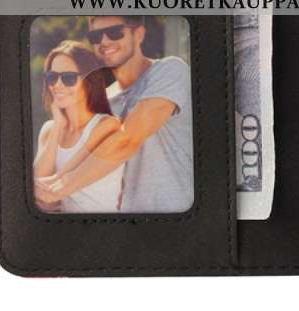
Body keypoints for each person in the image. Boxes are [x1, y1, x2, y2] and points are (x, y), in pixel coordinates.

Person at [35, 16, 193, 213]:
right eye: (96, 36)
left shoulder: (169, 71)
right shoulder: (105, 103)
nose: (104, 41)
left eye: (115, 32)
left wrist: (61, 187)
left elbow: (128, 139)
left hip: (176, 218)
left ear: (139, 34)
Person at [32, 41, 123, 212]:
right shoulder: (49, 130)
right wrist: (58, 126)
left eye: (68, 78)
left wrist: (42, 193)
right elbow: (37, 196)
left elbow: (52, 187)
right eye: (52, 77)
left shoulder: (107, 126)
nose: (57, 85)